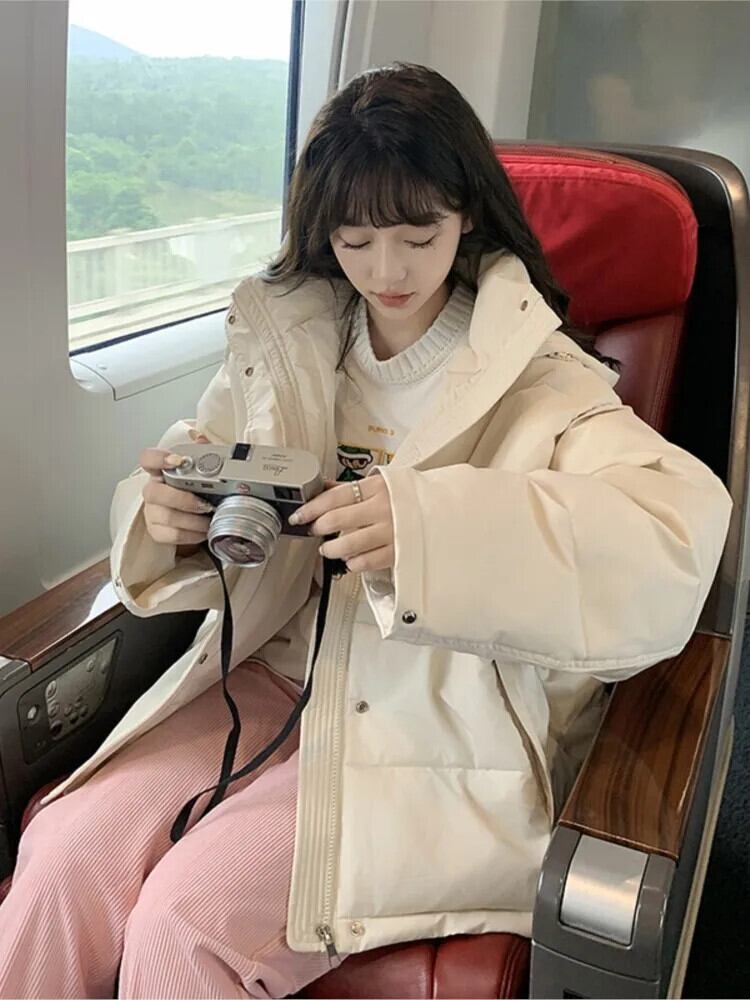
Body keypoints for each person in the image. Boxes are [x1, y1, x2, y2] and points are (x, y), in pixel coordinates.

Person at [0, 62, 733, 1000]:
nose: (387, 272)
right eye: (355, 240)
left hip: (428, 709)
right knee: (63, 859)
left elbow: (675, 529)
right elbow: (200, 453)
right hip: (272, 673)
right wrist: (166, 518)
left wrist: (431, 528)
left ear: (467, 216)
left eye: (418, 237)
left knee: (185, 929)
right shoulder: (290, 344)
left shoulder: (538, 376)